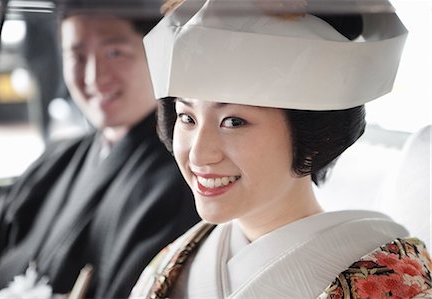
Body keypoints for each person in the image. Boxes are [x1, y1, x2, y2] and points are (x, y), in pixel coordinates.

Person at [130, 0, 432, 298]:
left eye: (233, 121)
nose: (198, 154)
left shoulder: (394, 280)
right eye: (187, 118)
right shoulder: (176, 260)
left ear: (312, 136)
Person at [0, 6, 200, 299]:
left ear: (158, 54)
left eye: (114, 53)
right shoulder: (55, 161)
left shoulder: (182, 179)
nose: (94, 76)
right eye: (77, 55)